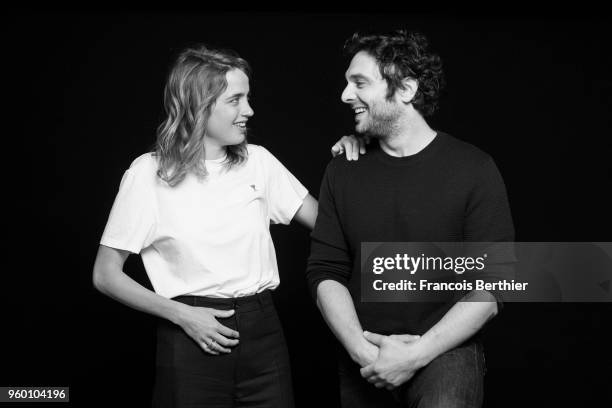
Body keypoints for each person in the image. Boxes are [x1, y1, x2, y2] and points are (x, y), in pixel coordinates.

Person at [92, 44, 359, 408]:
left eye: (247, 98)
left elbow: (332, 228)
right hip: (190, 336)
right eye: (236, 100)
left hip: (264, 334)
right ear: (199, 105)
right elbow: (106, 275)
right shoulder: (147, 174)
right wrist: (183, 315)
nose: (248, 110)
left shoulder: (259, 163)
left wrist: (359, 157)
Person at [308, 30, 515, 407]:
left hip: (446, 351)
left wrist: (414, 356)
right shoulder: (343, 171)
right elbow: (325, 272)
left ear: (405, 90)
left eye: (359, 83)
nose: (345, 95)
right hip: (365, 351)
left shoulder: (474, 169)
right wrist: (362, 351)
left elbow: (494, 285)